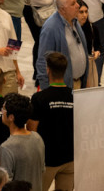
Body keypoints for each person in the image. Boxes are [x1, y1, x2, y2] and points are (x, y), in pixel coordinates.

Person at [28, 52, 74, 191]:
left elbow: (31, 130)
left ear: (48, 69)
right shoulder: (75, 96)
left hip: (46, 160)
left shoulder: (39, 98)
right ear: (65, 70)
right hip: (70, 159)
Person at [36, 0, 89, 89]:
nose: (78, 6)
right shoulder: (51, 28)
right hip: (63, 87)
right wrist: (46, 91)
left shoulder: (75, 22)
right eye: (73, 4)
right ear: (63, 9)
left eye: (76, 2)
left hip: (79, 82)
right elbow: (42, 61)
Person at [0, 93, 45, 191]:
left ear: (11, 117)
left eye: (3, 109)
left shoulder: (6, 147)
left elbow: (6, 185)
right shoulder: (38, 138)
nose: (1, 111)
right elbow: (42, 170)